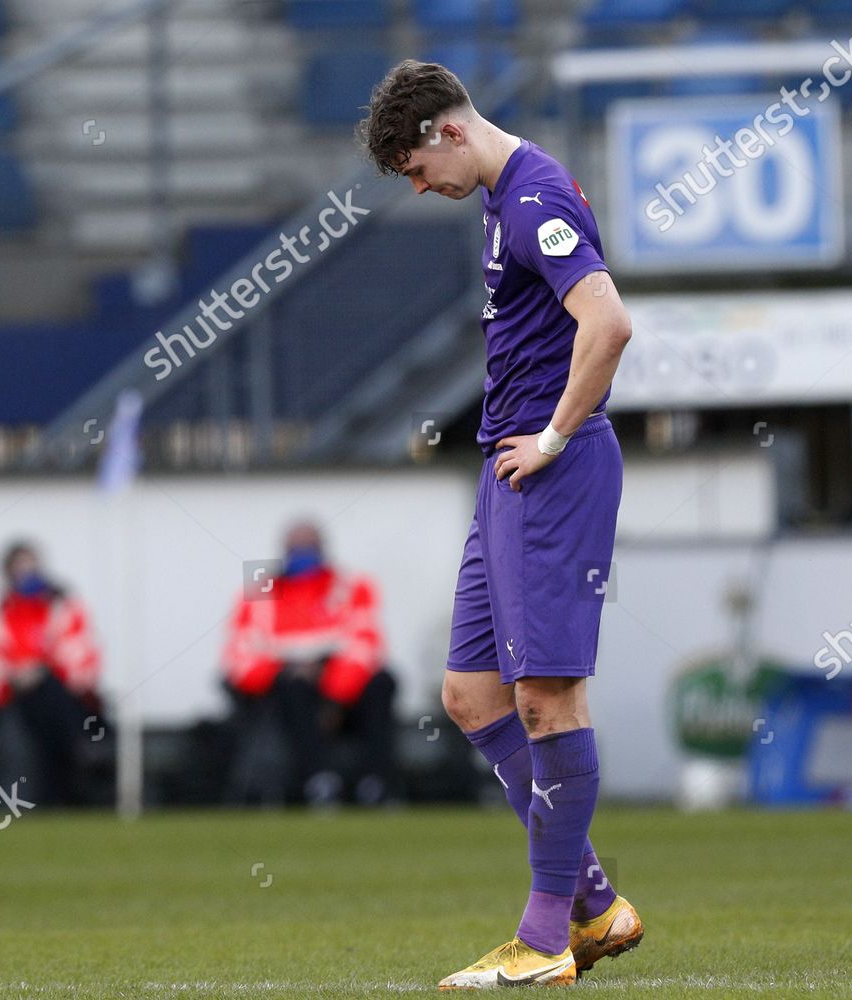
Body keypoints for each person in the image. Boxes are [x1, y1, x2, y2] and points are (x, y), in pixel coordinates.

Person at [358, 61, 642, 989]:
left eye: (413, 168)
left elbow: (609, 325)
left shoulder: (533, 200)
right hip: (508, 474)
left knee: (546, 701)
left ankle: (548, 935)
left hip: (550, 470)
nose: (418, 187)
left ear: (447, 131)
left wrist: (556, 437)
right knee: (472, 698)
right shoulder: (499, 200)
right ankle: (597, 905)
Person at [222, 520, 397, 806]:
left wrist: (334, 697)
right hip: (285, 694)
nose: (303, 553)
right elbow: (240, 659)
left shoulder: (351, 587)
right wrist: (291, 670)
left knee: (382, 682)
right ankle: (319, 782)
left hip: (344, 693)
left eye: (309, 546)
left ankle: (377, 783)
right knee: (295, 690)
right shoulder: (259, 594)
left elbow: (367, 645)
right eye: (296, 547)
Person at [0, 542, 105, 807]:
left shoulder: (62, 609)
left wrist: (41, 670)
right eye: (19, 567)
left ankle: (70, 772)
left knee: (50, 700)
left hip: (56, 696)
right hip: (12, 699)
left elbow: (79, 659)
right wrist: (13, 676)